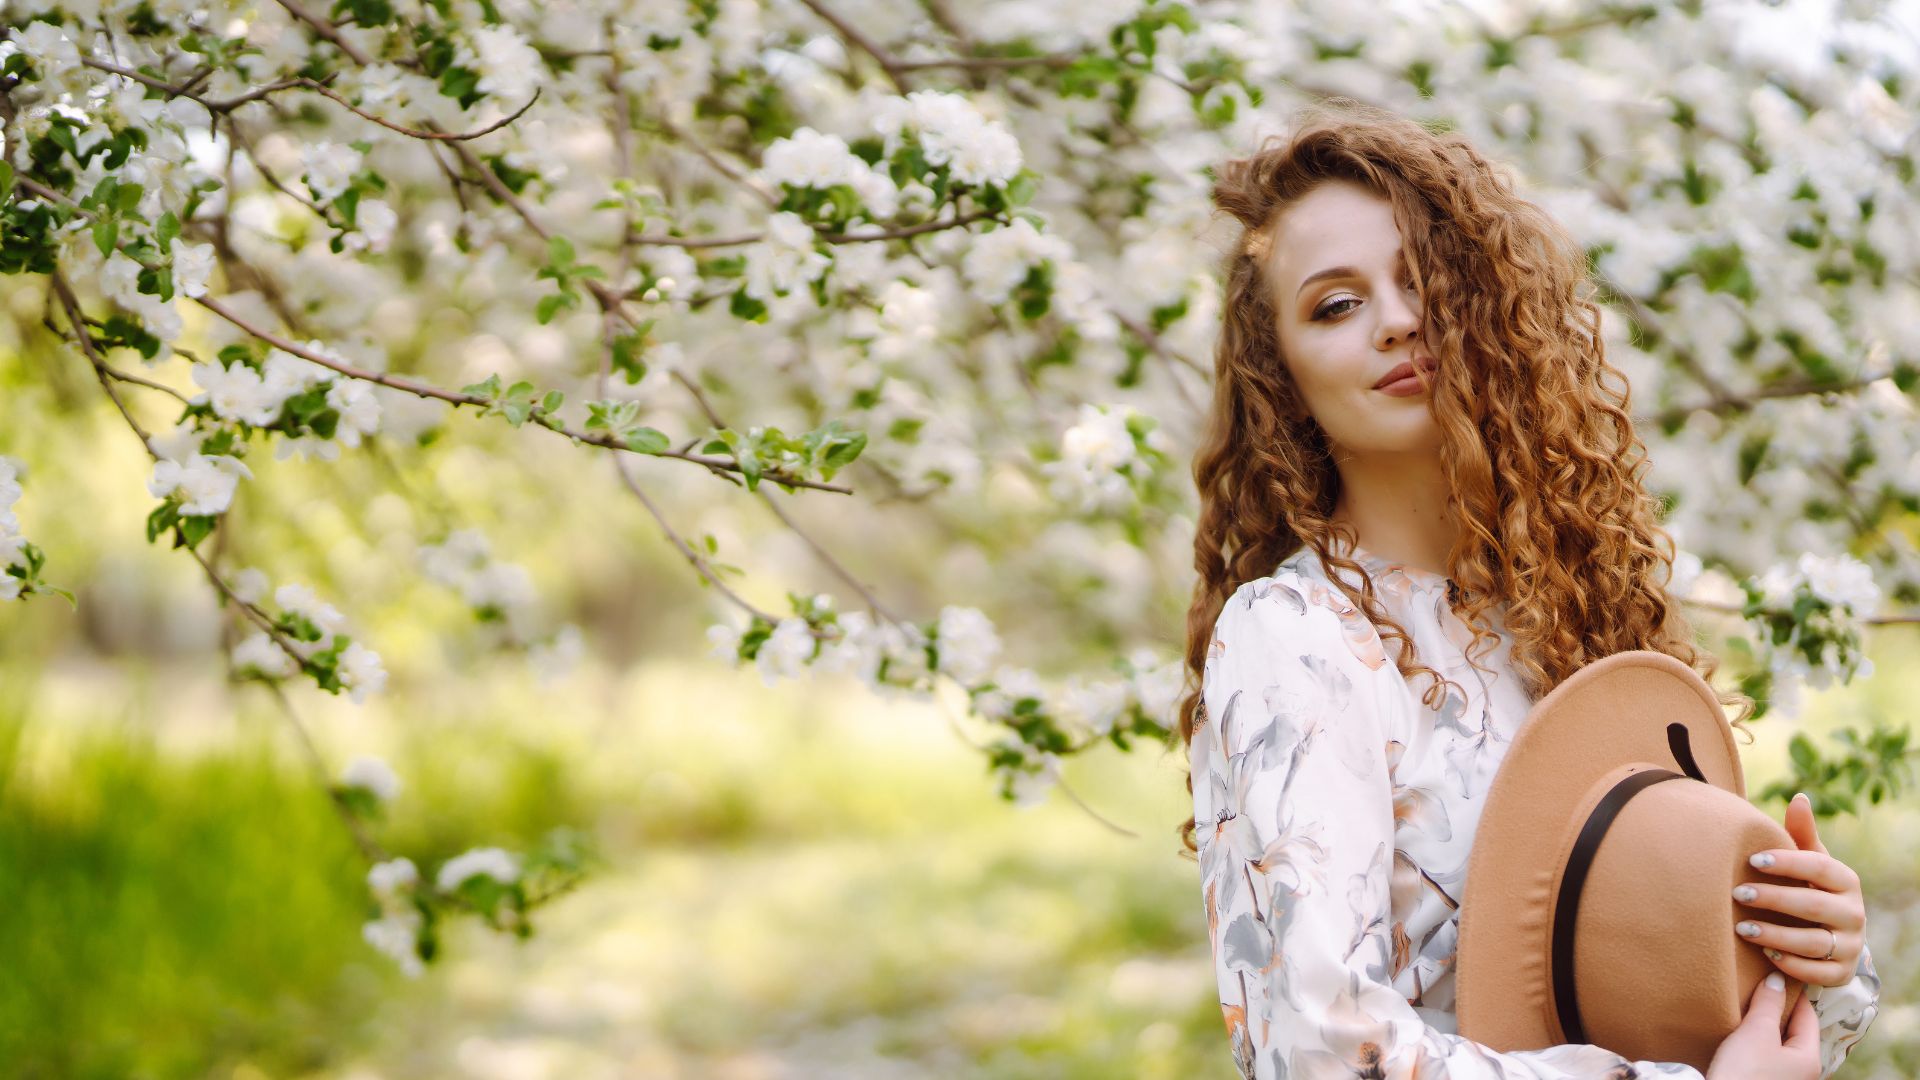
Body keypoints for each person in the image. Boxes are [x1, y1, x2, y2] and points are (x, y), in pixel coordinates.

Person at [1175, 99, 1881, 1080]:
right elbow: (1323, 1053)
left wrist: (1816, 958)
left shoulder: (1568, 608)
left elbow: (1674, 991)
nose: (1398, 320)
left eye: (1424, 279)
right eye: (1336, 304)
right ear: (1282, 377)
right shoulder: (1296, 635)